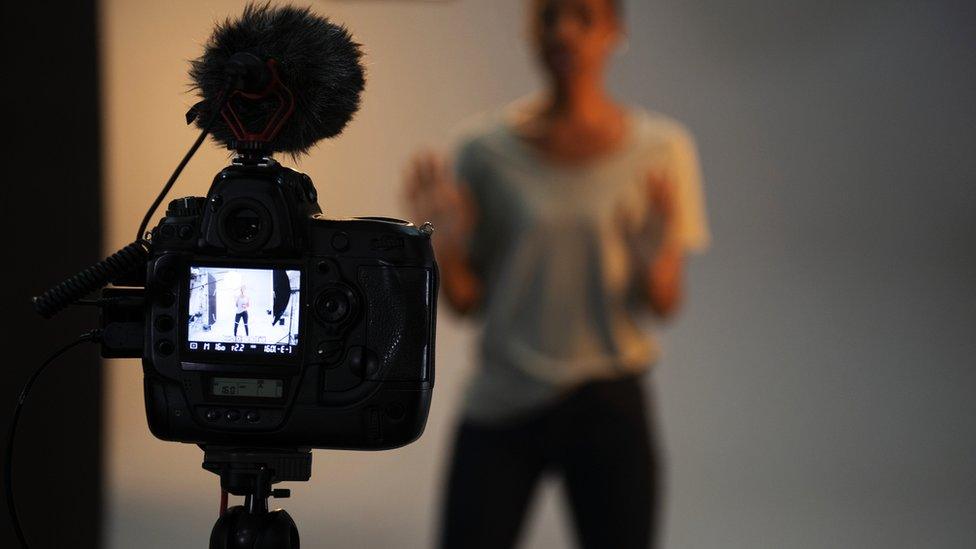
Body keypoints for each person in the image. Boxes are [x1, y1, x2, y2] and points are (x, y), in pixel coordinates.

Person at [404, 0, 709, 547]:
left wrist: (651, 261)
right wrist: (445, 246)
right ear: (531, 31)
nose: (565, 31)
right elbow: (466, 302)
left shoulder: (662, 150)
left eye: (583, 17)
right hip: (504, 397)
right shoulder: (482, 152)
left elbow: (665, 304)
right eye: (549, 17)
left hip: (607, 401)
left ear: (614, 31)